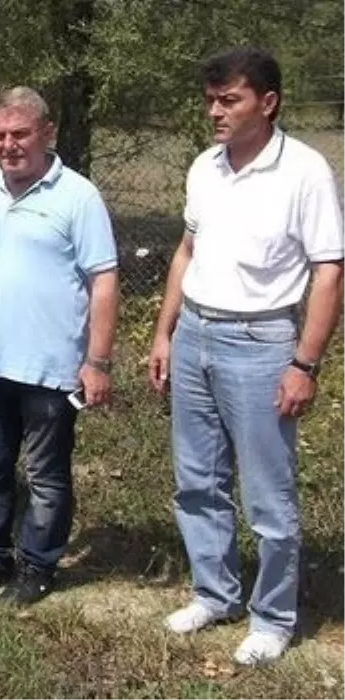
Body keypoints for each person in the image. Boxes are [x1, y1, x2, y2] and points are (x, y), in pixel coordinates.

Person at [147, 47, 344, 666]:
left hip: (262, 345)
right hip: (196, 334)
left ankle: (274, 615)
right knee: (197, 480)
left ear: (268, 102)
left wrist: (304, 364)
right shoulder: (205, 168)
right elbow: (186, 252)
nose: (215, 111)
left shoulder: (305, 172)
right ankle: (215, 593)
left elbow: (330, 271)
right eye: (211, 99)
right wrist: (164, 333)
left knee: (268, 494)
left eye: (228, 99)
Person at [0, 87, 119, 606]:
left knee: (46, 475)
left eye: (20, 134)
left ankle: (39, 565)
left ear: (47, 133)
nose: (8, 145)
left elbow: (104, 281)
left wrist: (98, 360)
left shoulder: (78, 196)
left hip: (52, 368)